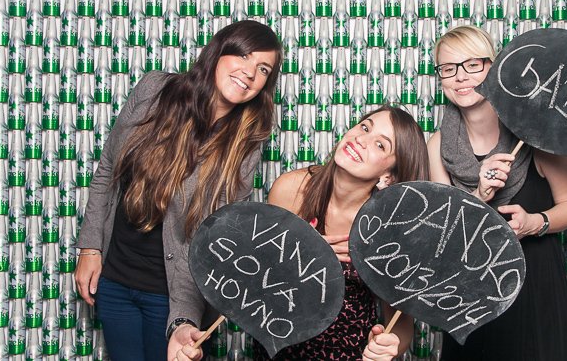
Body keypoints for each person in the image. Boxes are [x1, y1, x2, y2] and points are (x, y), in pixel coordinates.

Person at [74, 20, 282, 361]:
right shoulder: (155, 89)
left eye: (263, 69)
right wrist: (90, 248)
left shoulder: (246, 141)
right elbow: (108, 169)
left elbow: (216, 235)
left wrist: (184, 319)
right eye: (243, 56)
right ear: (218, 52)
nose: (249, 72)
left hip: (174, 293)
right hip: (115, 280)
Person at [174, 106, 430, 361]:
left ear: (389, 175)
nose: (361, 140)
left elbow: (400, 323)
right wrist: (300, 257)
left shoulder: (388, 230)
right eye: (365, 127)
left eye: (380, 145)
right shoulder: (290, 191)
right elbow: (251, 285)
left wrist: (387, 346)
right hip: (277, 350)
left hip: (346, 354)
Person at [427, 25, 567, 360]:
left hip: (534, 286)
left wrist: (533, 223)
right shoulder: (438, 145)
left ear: (494, 68)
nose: (460, 76)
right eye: (448, 68)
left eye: (473, 64)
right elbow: (446, 235)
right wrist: (479, 194)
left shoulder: (534, 131)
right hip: (470, 294)